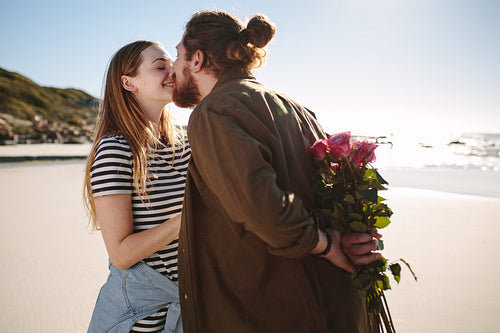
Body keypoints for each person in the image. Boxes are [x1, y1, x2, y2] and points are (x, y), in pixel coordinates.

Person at [172, 11, 382, 333]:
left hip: (276, 309)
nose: (173, 68)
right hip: (334, 302)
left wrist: (326, 243)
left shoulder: (213, 112)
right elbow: (333, 191)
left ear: (197, 59)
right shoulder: (297, 109)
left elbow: (262, 206)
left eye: (177, 56)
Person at [83, 40, 190, 333]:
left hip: (189, 311)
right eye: (160, 67)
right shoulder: (116, 149)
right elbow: (121, 254)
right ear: (129, 83)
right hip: (139, 319)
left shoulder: (184, 144)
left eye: (172, 64)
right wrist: (187, 219)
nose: (173, 71)